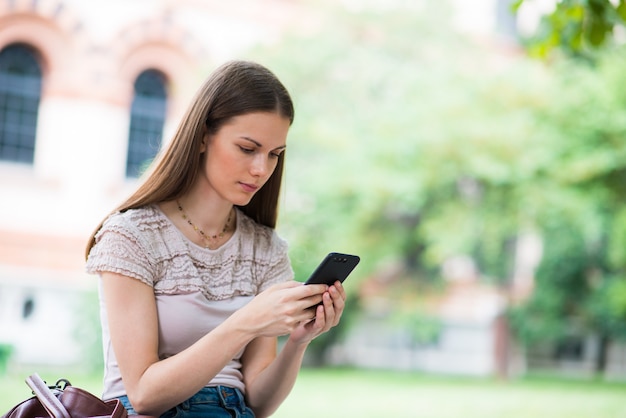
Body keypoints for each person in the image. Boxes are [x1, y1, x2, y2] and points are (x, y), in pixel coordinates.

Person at [85, 60, 346, 418]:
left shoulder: (264, 249)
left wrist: (299, 342)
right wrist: (247, 321)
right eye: (247, 148)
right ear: (204, 136)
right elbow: (145, 395)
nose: (261, 169)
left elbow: (259, 402)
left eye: (274, 155)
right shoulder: (131, 236)